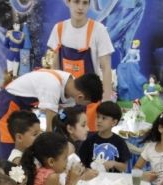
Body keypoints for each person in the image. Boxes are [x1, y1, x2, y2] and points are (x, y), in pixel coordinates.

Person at [0, 69, 103, 160]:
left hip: (25, 109)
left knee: (26, 153)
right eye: (86, 104)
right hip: (7, 105)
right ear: (80, 97)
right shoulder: (53, 86)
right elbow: (49, 131)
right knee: (9, 153)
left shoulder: (71, 89)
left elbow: (59, 121)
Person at [46, 0, 115, 128]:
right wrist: (51, 99)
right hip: (65, 103)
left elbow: (106, 68)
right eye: (76, 2)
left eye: (85, 3)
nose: (80, 7)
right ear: (68, 2)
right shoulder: (59, 29)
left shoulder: (98, 30)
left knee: (87, 142)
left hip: (90, 103)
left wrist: (106, 102)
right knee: (64, 141)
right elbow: (54, 69)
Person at [78, 101, 131, 173]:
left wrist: (114, 163)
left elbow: (124, 167)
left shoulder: (120, 142)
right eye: (98, 117)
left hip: (112, 181)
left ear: (114, 122)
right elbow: (81, 163)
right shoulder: (89, 140)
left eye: (104, 118)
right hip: (92, 180)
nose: (99, 121)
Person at [50, 105, 98, 180]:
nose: (88, 129)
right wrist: (84, 176)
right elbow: (63, 178)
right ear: (70, 129)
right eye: (83, 125)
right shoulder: (68, 147)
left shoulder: (67, 144)